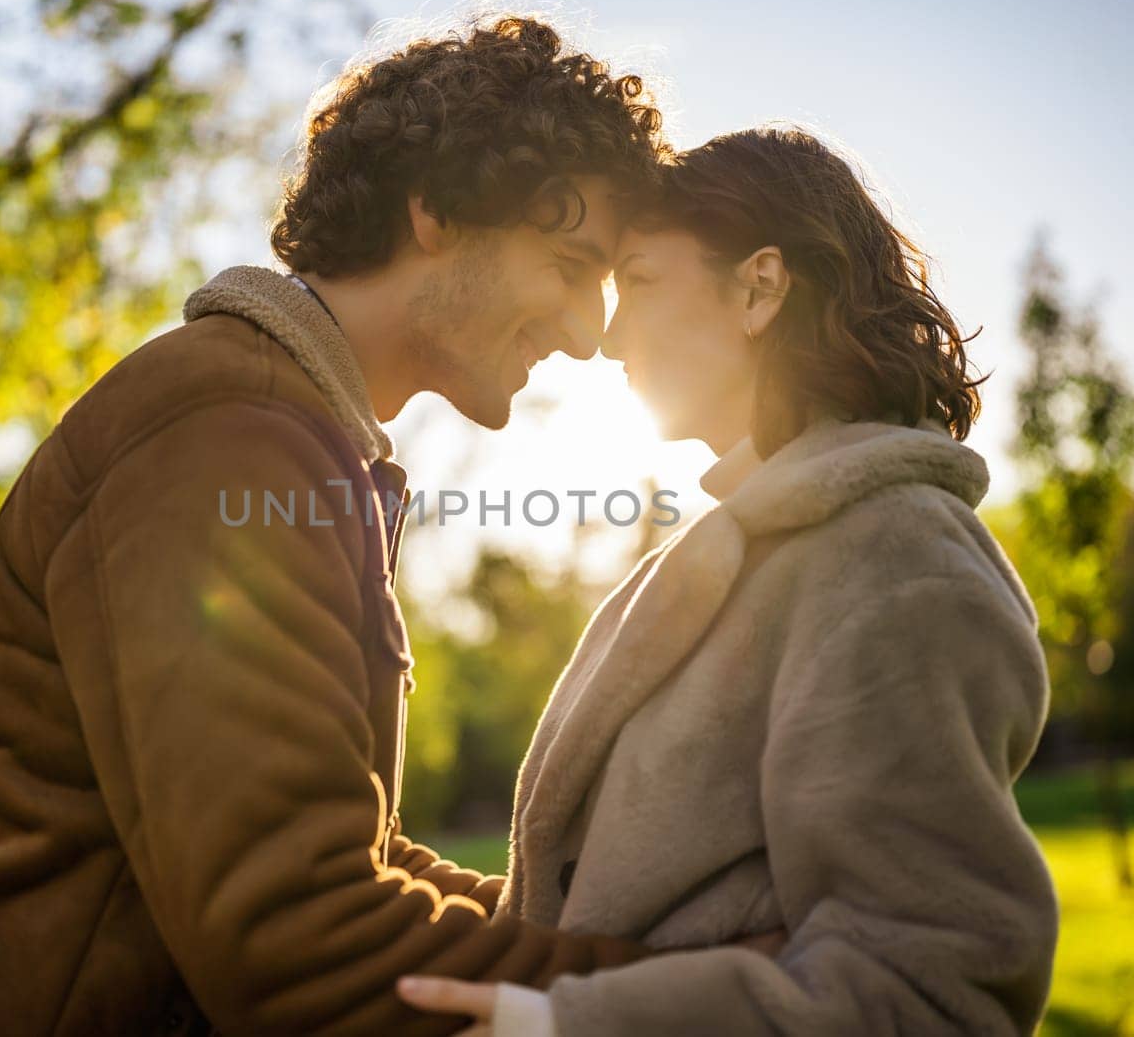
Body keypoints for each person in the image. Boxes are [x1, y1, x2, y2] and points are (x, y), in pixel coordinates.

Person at [0, 16, 668, 1036]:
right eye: (571, 264)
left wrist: (635, 932)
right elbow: (298, 937)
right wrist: (693, 990)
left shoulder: (293, 439)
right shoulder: (225, 435)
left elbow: (339, 848)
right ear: (439, 208)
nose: (587, 333)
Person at [398, 126, 1060, 1034]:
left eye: (635, 280)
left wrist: (567, 1026)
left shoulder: (896, 560)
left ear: (759, 288)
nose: (605, 334)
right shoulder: (736, 548)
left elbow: (929, 988)